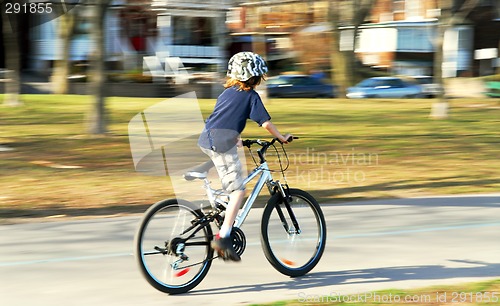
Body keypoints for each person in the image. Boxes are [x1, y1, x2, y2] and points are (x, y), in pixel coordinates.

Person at [198, 51, 291, 261]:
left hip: (208, 138)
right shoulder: (251, 96)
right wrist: (282, 138)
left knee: (233, 179)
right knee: (238, 191)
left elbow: (224, 117)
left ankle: (222, 206)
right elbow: (265, 123)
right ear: (256, 77)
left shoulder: (227, 92)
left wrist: (236, 137)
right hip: (222, 143)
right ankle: (223, 237)